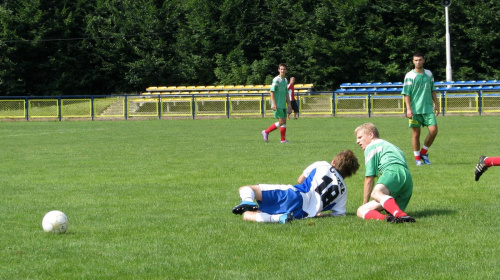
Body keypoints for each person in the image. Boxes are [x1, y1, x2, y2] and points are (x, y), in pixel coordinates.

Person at [231, 150, 360, 224]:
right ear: (349, 174)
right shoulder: (343, 191)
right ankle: (278, 218)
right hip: (303, 213)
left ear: (334, 162)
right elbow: (338, 215)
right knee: (248, 215)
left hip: (295, 195)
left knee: (247, 189)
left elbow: (300, 179)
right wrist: (320, 215)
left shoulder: (323, 165)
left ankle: (247, 200)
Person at [355, 123, 415, 223]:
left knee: (376, 193)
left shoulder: (372, 146)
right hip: (407, 178)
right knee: (361, 211)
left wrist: (365, 202)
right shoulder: (390, 145)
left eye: (360, 137)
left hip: (393, 172)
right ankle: (388, 218)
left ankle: (401, 215)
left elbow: (369, 178)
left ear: (370, 135)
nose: (357, 141)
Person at [401, 52, 440, 166]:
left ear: (424, 60)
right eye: (416, 60)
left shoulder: (429, 74)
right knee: (416, 134)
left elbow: (433, 89)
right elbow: (406, 94)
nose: (418, 62)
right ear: (413, 62)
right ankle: (417, 158)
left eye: (420, 60)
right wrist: (408, 109)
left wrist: (436, 104)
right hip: (415, 110)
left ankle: (423, 152)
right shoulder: (409, 76)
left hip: (428, 109)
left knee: (434, 131)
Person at [262, 63, 293, 143]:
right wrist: (274, 103)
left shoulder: (285, 80)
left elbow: (286, 93)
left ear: (286, 70)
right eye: (281, 69)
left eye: (284, 69)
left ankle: (283, 140)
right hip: (277, 104)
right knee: (281, 121)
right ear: (278, 70)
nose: (282, 70)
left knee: (284, 121)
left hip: (283, 104)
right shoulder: (277, 80)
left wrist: (289, 105)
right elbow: (272, 91)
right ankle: (266, 132)